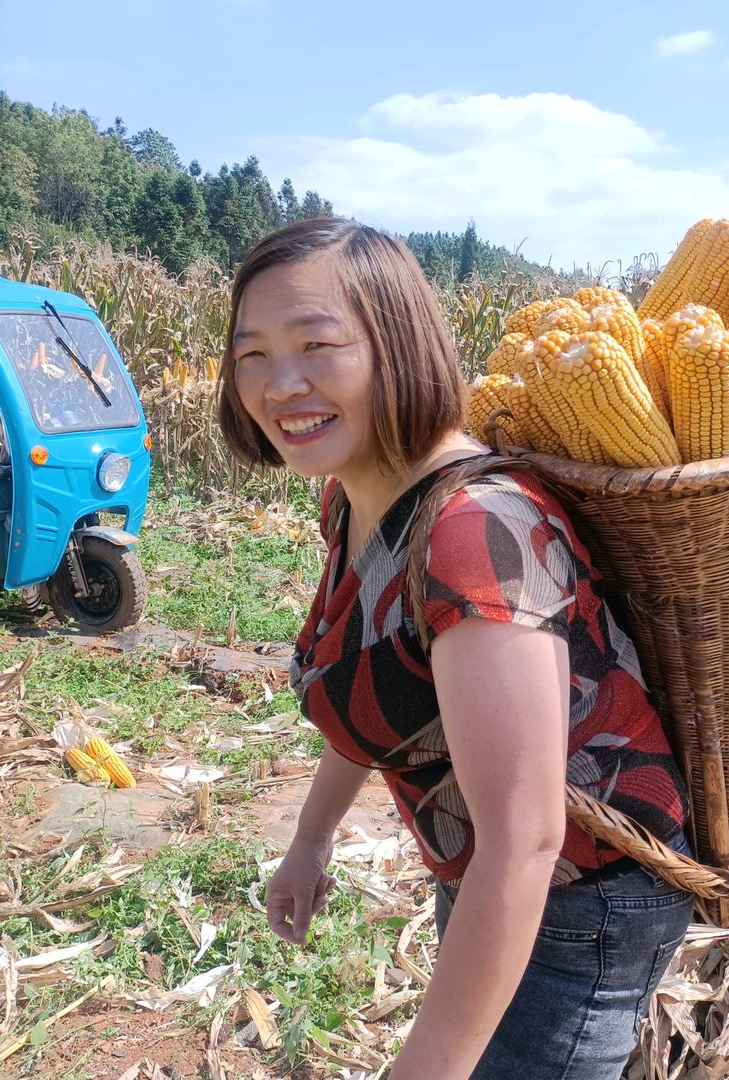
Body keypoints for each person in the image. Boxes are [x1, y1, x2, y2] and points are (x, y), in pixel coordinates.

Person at [217, 218, 694, 1080]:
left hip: (576, 907)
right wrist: (310, 840)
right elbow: (378, 685)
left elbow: (526, 838)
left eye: (317, 344)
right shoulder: (354, 500)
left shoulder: (475, 532)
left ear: (395, 347)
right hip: (490, 884)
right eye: (251, 354)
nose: (280, 383)